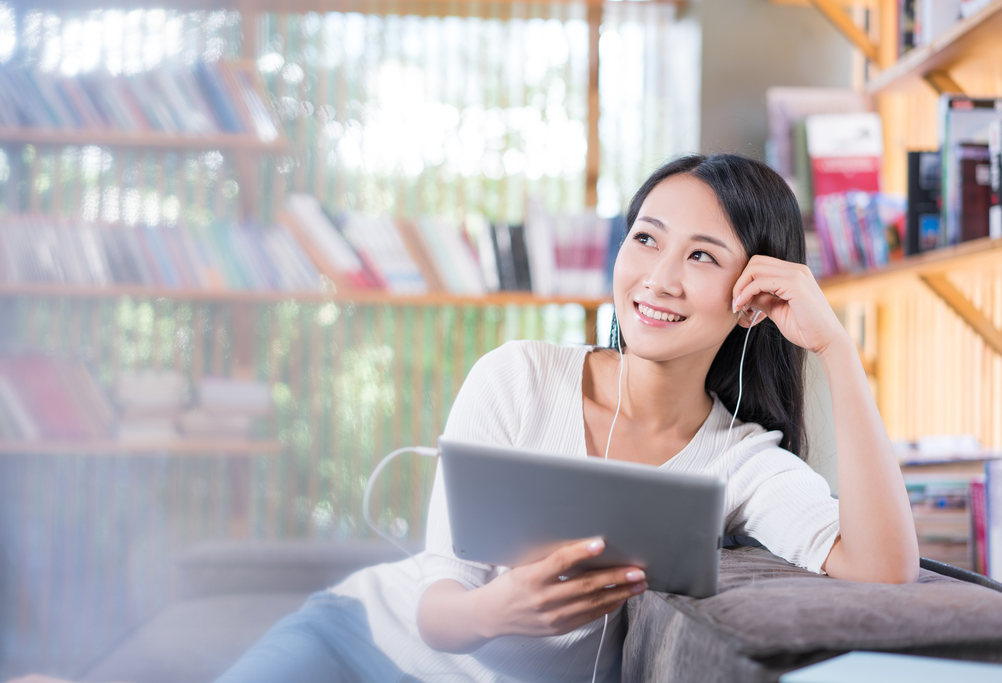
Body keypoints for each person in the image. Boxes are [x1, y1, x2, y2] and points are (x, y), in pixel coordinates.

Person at [214, 154, 919, 683]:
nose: (659, 278)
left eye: (702, 255)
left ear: (753, 295)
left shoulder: (741, 460)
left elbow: (885, 571)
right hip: (356, 641)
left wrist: (835, 346)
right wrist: (497, 611)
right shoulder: (518, 374)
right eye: (646, 238)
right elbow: (438, 595)